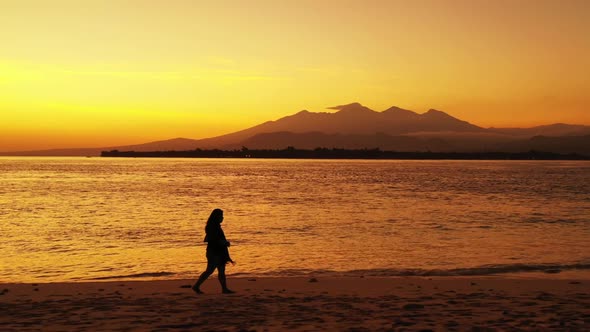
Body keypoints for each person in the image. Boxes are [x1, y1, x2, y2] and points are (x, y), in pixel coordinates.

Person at [192, 208, 235, 294]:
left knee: (221, 270)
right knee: (210, 270)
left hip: (218, 251)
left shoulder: (214, 226)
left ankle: (224, 289)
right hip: (214, 252)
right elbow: (214, 240)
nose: (222, 218)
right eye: (221, 216)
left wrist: (224, 243)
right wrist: (224, 243)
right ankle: (196, 286)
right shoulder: (213, 227)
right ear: (216, 217)